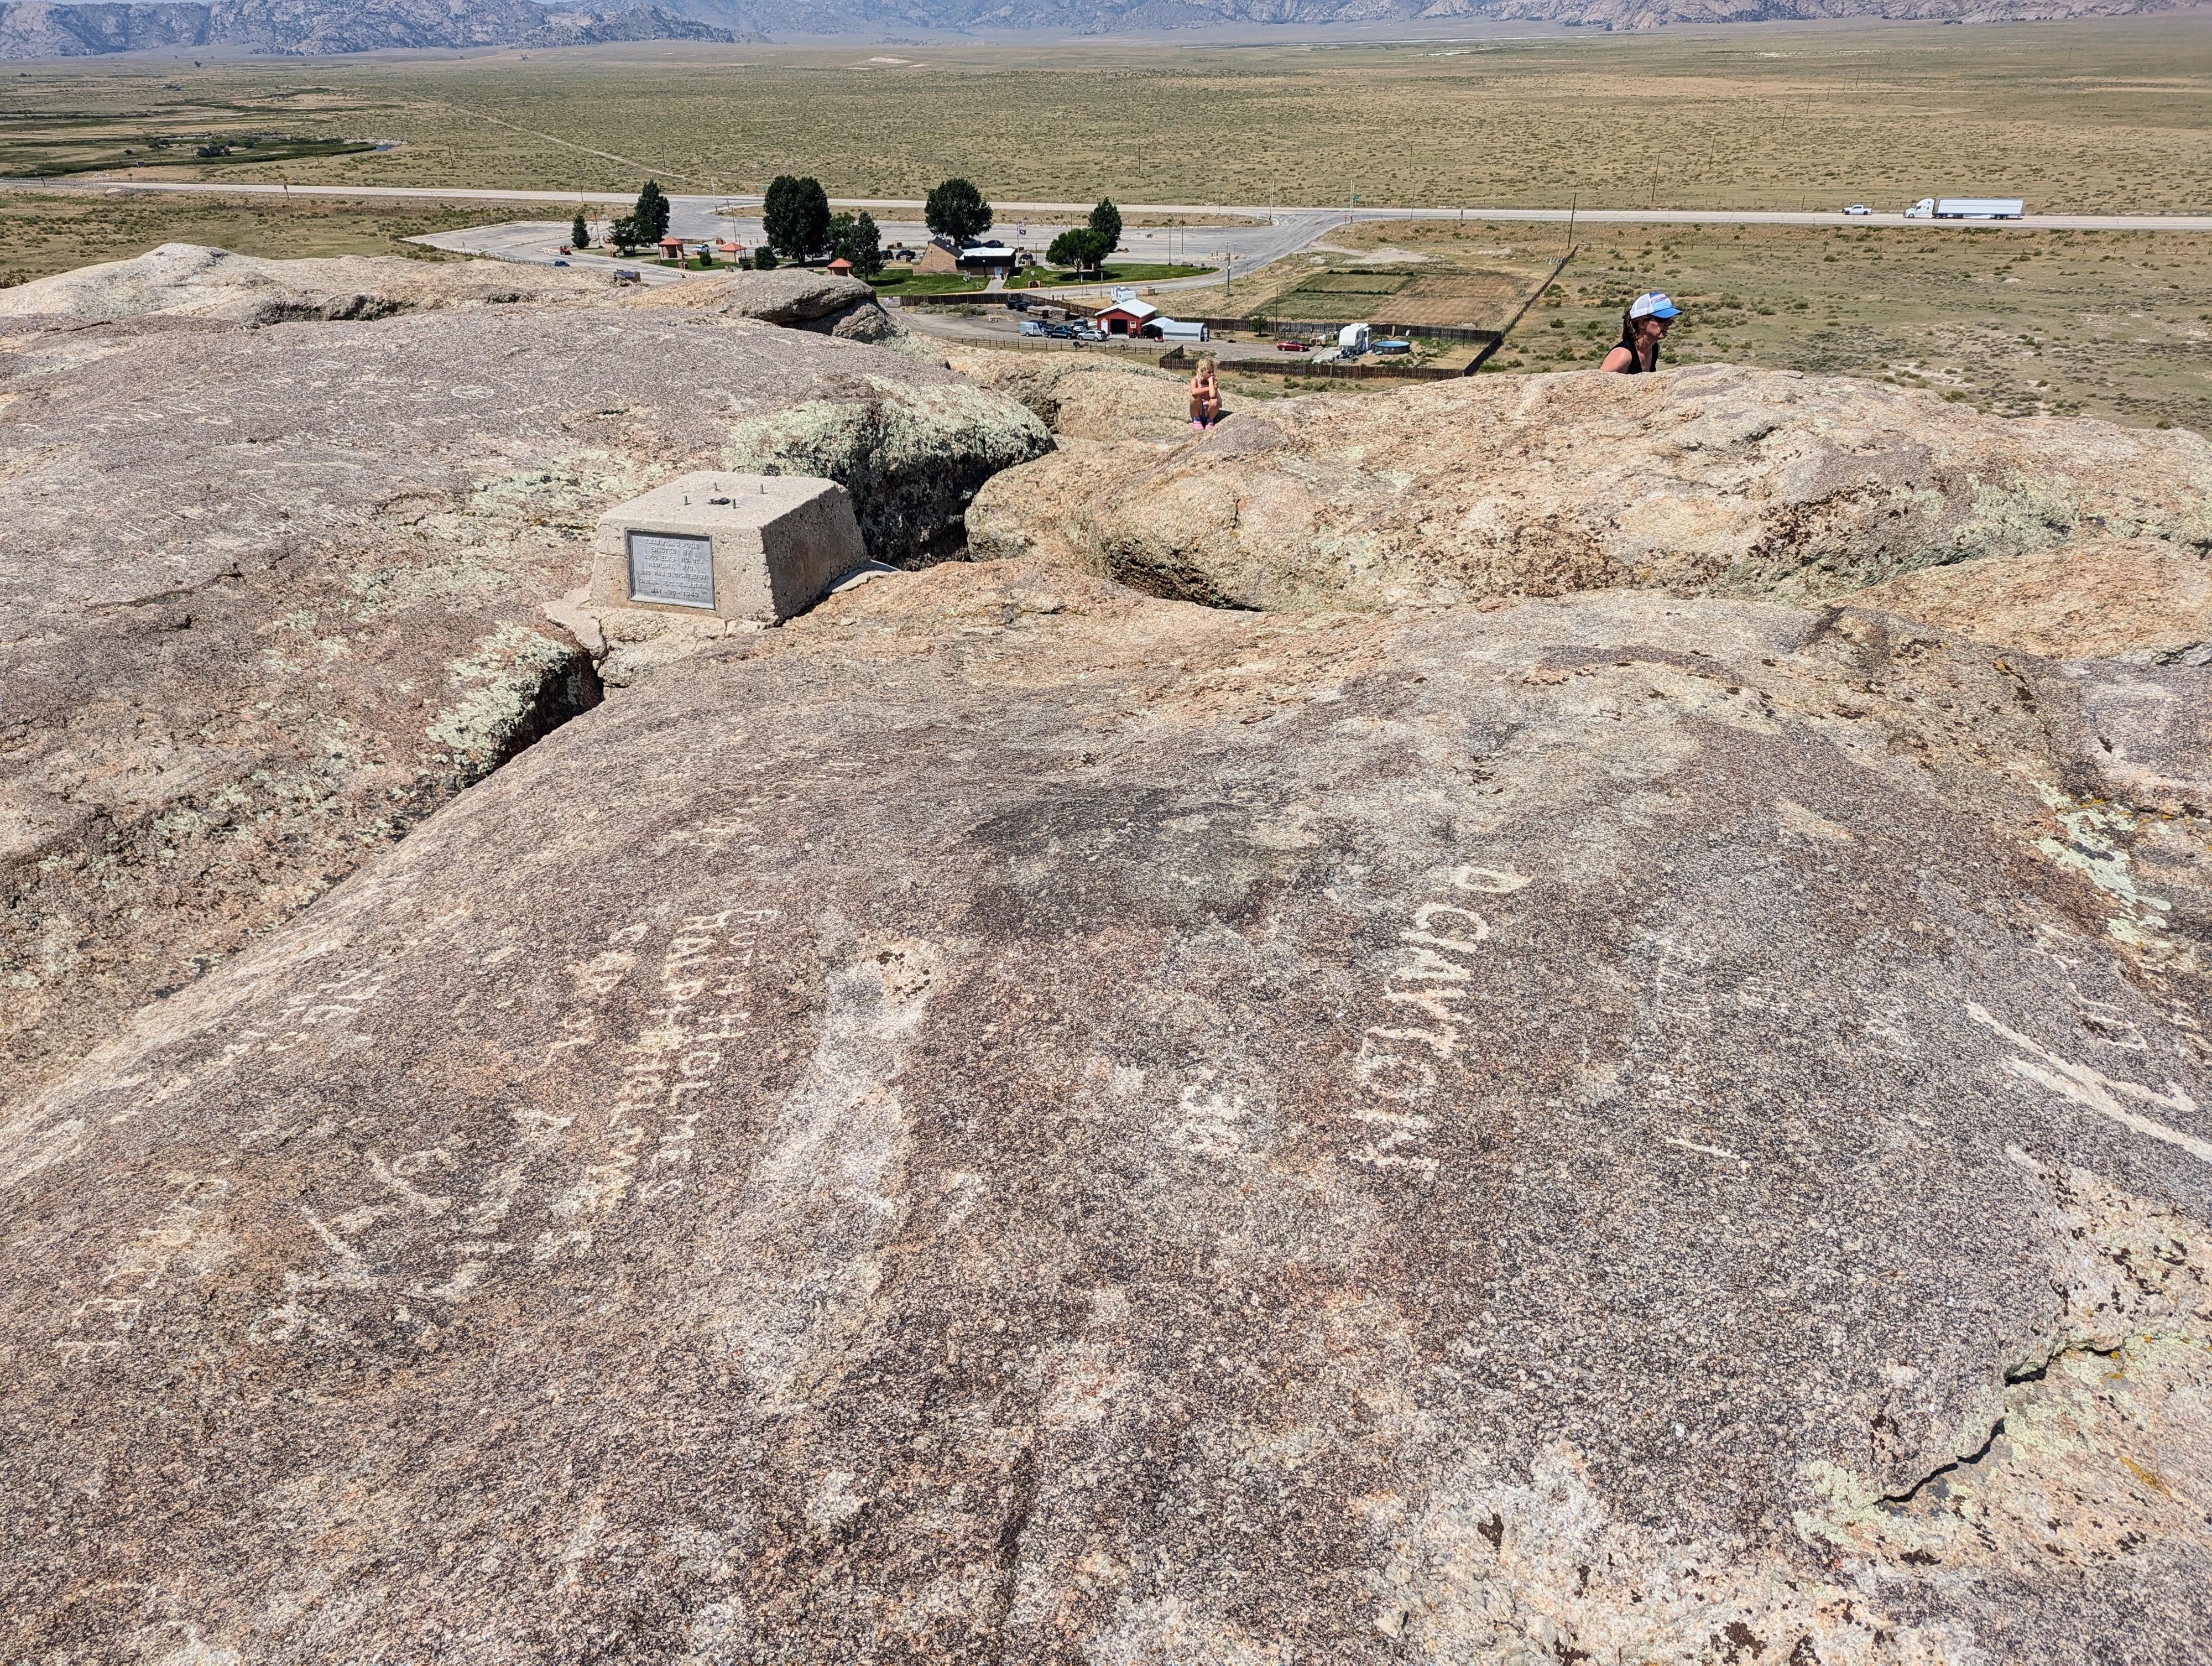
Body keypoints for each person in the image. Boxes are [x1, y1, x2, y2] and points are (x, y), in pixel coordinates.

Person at [1601, 292, 1680, 374]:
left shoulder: (1653, 348)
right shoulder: (1623, 356)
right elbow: (1598, 382)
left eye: (1670, 318)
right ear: (1642, 323)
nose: (1669, 323)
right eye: (1662, 319)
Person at [1188, 355, 1223, 429]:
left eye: (1212, 372)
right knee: (1195, 398)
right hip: (1198, 410)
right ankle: (1197, 420)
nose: (1212, 374)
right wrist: (1209, 388)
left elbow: (1213, 395)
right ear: (1202, 372)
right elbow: (1194, 392)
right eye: (1209, 372)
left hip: (1209, 411)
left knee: (1215, 401)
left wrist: (1211, 381)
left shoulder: (1213, 382)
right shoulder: (1195, 380)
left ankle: (1210, 421)